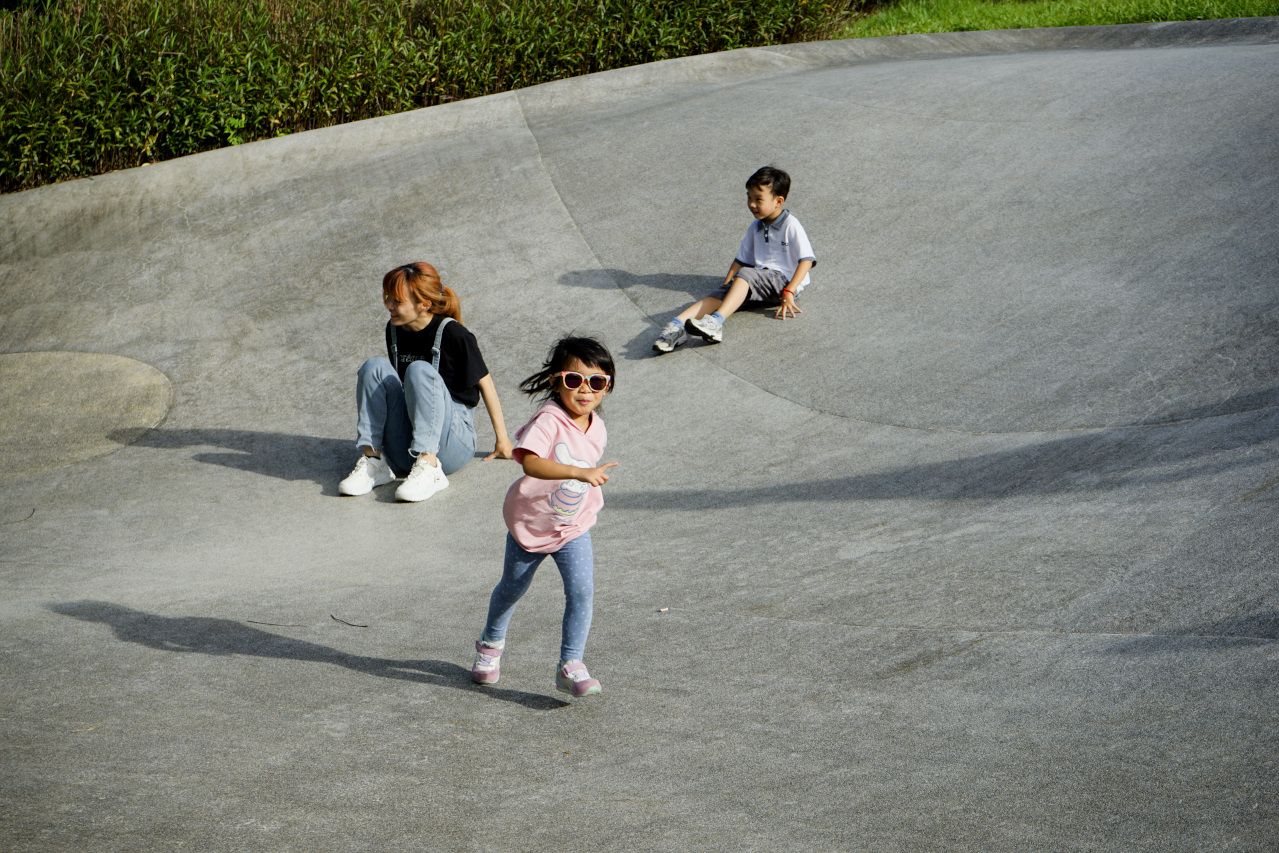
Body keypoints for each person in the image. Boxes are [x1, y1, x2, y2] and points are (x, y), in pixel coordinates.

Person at [471, 337, 617, 697]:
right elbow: (530, 462)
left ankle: (571, 665)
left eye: (596, 382)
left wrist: (585, 481)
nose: (586, 390)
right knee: (511, 588)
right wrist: (577, 473)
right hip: (532, 526)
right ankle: (490, 646)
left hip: (572, 526)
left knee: (582, 591)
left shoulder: (596, 425)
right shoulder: (548, 420)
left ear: (606, 387)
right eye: (574, 380)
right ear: (555, 381)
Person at [338, 262, 513, 501]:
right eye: (388, 298)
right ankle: (374, 461)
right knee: (373, 367)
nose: (389, 306)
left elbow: (487, 384)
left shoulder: (456, 335)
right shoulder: (394, 329)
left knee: (419, 370)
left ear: (424, 304)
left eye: (397, 301)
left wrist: (502, 440)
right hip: (408, 444)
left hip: (452, 445)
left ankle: (430, 468)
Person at [653, 165, 816, 352]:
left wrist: (789, 291)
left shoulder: (791, 224)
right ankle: (676, 327)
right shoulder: (755, 227)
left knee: (746, 274)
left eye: (758, 199)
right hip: (758, 280)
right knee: (719, 293)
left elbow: (807, 261)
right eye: (749, 197)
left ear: (778, 201)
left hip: (783, 282)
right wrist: (726, 287)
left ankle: (715, 322)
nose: (752, 204)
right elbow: (740, 261)